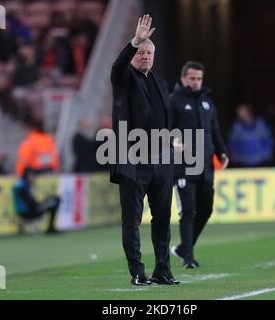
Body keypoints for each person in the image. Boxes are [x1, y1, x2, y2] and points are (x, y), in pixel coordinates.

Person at [110, 15, 179, 286]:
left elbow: (166, 116)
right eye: (141, 52)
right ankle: (137, 272)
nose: (146, 56)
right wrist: (135, 40)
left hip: (162, 161)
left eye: (149, 52)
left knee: (162, 218)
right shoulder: (124, 78)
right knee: (132, 221)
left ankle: (163, 270)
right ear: (134, 55)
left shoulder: (159, 81)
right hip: (133, 161)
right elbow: (117, 66)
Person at [169, 61, 229, 269]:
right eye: (192, 78)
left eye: (199, 79)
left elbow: (215, 130)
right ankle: (188, 258)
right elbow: (165, 128)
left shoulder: (207, 103)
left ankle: (184, 247)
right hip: (183, 165)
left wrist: (221, 151)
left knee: (206, 209)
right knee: (188, 211)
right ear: (183, 78)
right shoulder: (173, 101)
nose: (196, 82)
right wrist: (173, 140)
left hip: (205, 165)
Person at [12, 167, 60, 234]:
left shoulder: (22, 185)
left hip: (29, 210)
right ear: (26, 175)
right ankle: (51, 228)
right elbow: (30, 203)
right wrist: (41, 203)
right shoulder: (23, 186)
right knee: (55, 202)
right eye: (31, 176)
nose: (33, 178)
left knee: (55, 200)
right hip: (28, 212)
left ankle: (51, 227)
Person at [229, 103, 273, 167]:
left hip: (260, 161)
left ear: (248, 111)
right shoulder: (236, 127)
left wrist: (266, 154)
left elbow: (268, 140)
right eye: (238, 112)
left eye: (242, 111)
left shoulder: (260, 124)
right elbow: (232, 144)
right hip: (243, 162)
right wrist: (236, 156)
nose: (240, 114)